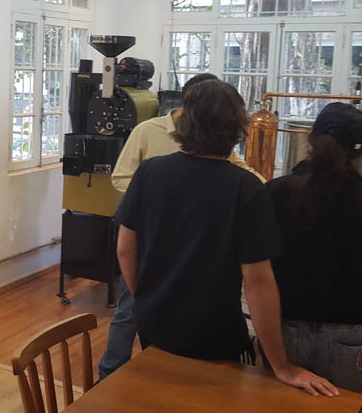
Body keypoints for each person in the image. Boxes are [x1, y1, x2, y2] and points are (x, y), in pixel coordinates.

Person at [115, 79, 338, 397]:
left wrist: (146, 298)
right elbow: (258, 281)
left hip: (154, 324)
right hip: (213, 333)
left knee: (160, 396)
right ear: (236, 129)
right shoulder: (245, 188)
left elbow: (125, 249)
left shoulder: (149, 173)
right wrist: (282, 366)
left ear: (185, 122)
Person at [99, 73, 264, 380]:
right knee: (127, 312)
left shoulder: (227, 168)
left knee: (163, 359)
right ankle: (109, 374)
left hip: (182, 248)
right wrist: (155, 199)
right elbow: (121, 178)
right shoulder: (147, 134)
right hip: (151, 240)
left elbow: (235, 166)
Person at [265, 102, 362, 412]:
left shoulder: (272, 194)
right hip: (356, 338)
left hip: (284, 333)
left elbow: (255, 269)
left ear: (310, 138)